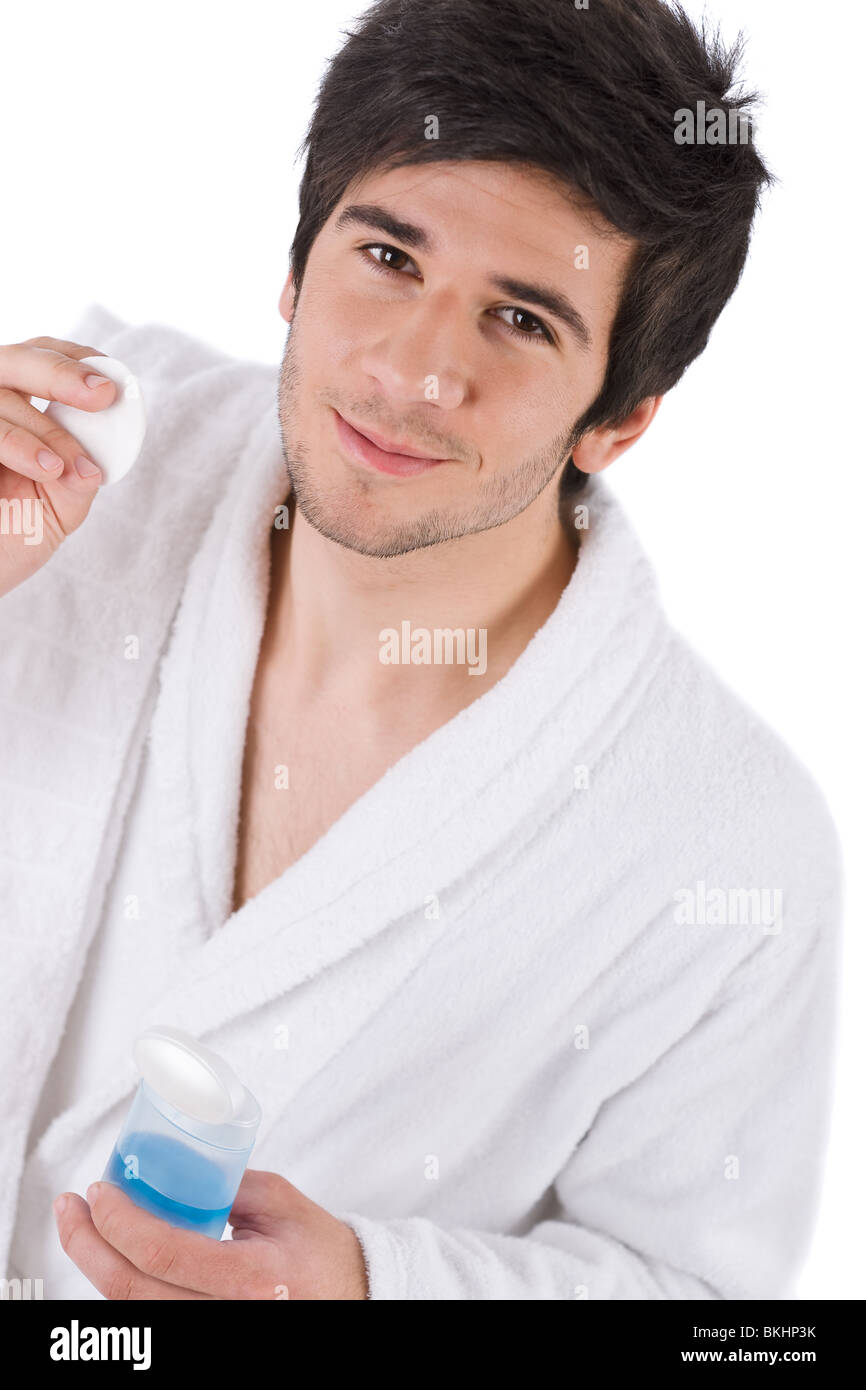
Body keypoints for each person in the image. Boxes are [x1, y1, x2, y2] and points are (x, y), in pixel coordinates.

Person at [0, 0, 842, 1300]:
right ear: (295, 265)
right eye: (388, 257)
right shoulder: (72, 479)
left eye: (519, 320)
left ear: (618, 418)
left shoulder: (728, 845)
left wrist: (367, 1288)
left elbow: (708, 1309)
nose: (413, 369)